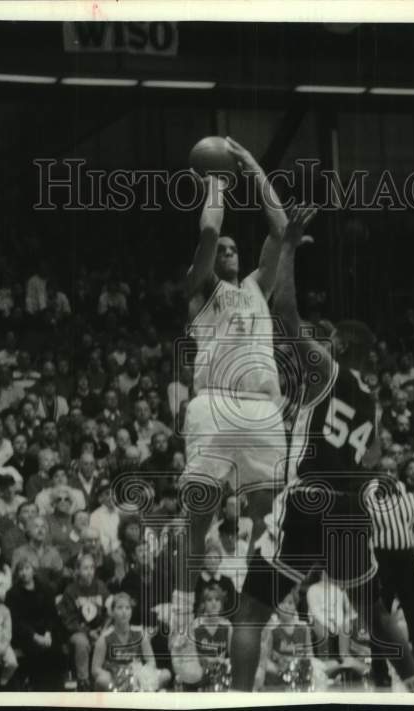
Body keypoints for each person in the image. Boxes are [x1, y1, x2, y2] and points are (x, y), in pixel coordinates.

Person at [233, 205, 414, 692]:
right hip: (348, 512)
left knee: (252, 609)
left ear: (337, 345)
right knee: (376, 614)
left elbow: (284, 313)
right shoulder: (374, 406)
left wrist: (291, 248)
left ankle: (235, 701)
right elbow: (372, 467)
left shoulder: (326, 369)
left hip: (308, 498)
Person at [172, 137, 290, 670]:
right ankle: (182, 613)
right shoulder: (200, 291)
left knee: (269, 522)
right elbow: (208, 229)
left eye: (232, 251)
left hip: (264, 412)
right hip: (215, 405)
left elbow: (281, 230)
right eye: (222, 251)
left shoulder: (257, 288)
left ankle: (255, 619)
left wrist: (255, 168)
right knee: (198, 511)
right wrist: (216, 184)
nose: (226, 252)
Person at [363, 459, 414, 686]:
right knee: (379, 617)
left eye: (392, 469)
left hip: (406, 559)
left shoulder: (409, 498)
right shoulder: (367, 498)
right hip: (380, 560)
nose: (389, 473)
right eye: (384, 470)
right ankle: (379, 672)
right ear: (377, 473)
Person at [92, 592, 170, 691]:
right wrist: (106, 674)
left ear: (131, 611)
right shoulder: (104, 638)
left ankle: (139, 691)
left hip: (138, 677)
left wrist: (143, 674)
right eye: (119, 608)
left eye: (127, 608)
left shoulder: (140, 635)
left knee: (166, 674)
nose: (124, 612)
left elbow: (151, 661)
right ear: (112, 612)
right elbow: (95, 669)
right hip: (115, 678)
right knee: (102, 680)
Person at [5, 558, 63, 691]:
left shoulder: (45, 589)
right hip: (26, 634)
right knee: (37, 652)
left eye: (27, 568)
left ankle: (57, 691)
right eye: (21, 570)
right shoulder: (12, 594)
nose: (24, 573)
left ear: (33, 571)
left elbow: (51, 614)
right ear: (17, 574)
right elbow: (16, 622)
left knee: (55, 649)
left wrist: (48, 633)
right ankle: (39, 690)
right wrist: (35, 636)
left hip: (46, 631)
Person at [57, 554, 110, 691]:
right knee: (82, 642)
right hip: (78, 631)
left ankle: (105, 677)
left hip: (99, 629)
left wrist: (103, 629)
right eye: (85, 568)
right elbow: (68, 620)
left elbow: (109, 611)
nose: (89, 571)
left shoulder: (101, 587)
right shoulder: (70, 591)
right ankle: (83, 680)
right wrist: (87, 632)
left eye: (92, 567)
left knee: (106, 638)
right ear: (77, 570)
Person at [258, 591, 313, 689]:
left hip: (299, 670)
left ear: (295, 606)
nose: (286, 606)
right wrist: (278, 668)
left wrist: (300, 664)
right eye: (282, 602)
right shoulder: (272, 630)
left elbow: (310, 655)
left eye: (290, 603)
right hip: (278, 673)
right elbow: (265, 659)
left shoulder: (304, 629)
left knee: (317, 666)